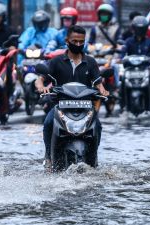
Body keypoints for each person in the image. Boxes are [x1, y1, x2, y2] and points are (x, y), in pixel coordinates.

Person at [35, 25, 109, 172]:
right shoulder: (56, 61)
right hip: (61, 107)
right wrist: (41, 87)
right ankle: (49, 157)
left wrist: (103, 90)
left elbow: (99, 82)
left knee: (98, 126)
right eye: (75, 41)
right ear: (67, 40)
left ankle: (94, 160)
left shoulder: (90, 62)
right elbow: (40, 78)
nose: (78, 44)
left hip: (86, 107)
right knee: (48, 122)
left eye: (81, 42)